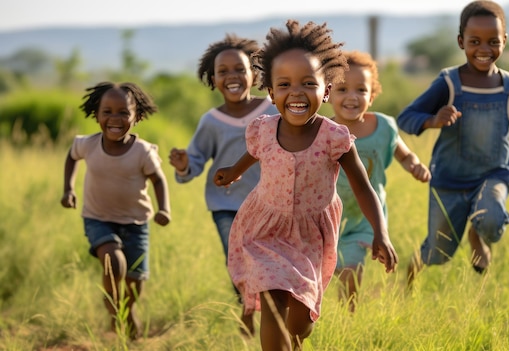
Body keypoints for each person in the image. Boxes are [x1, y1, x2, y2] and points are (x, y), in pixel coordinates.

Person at [213, 20, 398, 351]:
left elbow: (363, 187)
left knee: (300, 325)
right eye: (284, 84)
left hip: (310, 236)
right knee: (272, 301)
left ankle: (294, 341)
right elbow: (254, 153)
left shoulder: (335, 138)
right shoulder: (263, 130)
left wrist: (381, 233)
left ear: (326, 90)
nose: (296, 92)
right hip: (265, 229)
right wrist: (233, 170)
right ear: (270, 92)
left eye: (308, 83)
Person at [397, 0, 509, 284]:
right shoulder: (449, 83)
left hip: (493, 175)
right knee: (439, 251)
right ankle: (409, 276)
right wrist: (433, 120)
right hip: (449, 181)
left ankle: (477, 235)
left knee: (491, 219)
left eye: (493, 41)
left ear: (505, 41)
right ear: (461, 41)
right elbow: (407, 117)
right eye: (475, 41)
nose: (484, 49)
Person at [168, 34, 277, 336]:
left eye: (239, 69)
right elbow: (196, 158)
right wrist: (184, 164)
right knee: (239, 262)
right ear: (212, 77)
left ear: (254, 74)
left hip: (268, 204)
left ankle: (268, 312)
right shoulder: (211, 121)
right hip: (225, 205)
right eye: (223, 71)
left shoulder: (272, 111)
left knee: (267, 261)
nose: (232, 76)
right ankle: (246, 310)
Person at [60, 82, 171, 339]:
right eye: (107, 111)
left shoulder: (142, 151)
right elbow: (71, 156)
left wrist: (164, 208)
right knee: (113, 261)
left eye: (123, 112)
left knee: (135, 282)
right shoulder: (88, 144)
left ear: (137, 116)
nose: (114, 118)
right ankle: (112, 309)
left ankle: (127, 310)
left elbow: (158, 179)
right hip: (98, 218)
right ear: (96, 115)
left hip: (136, 223)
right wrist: (68, 189)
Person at [329, 50, 431, 312]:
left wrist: (415, 166)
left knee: (351, 270)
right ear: (328, 94)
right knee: (329, 271)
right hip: (327, 218)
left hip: (366, 217)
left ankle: (348, 317)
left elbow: (404, 154)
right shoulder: (321, 131)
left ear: (371, 95)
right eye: (342, 89)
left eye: (361, 90)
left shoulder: (384, 127)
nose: (352, 96)